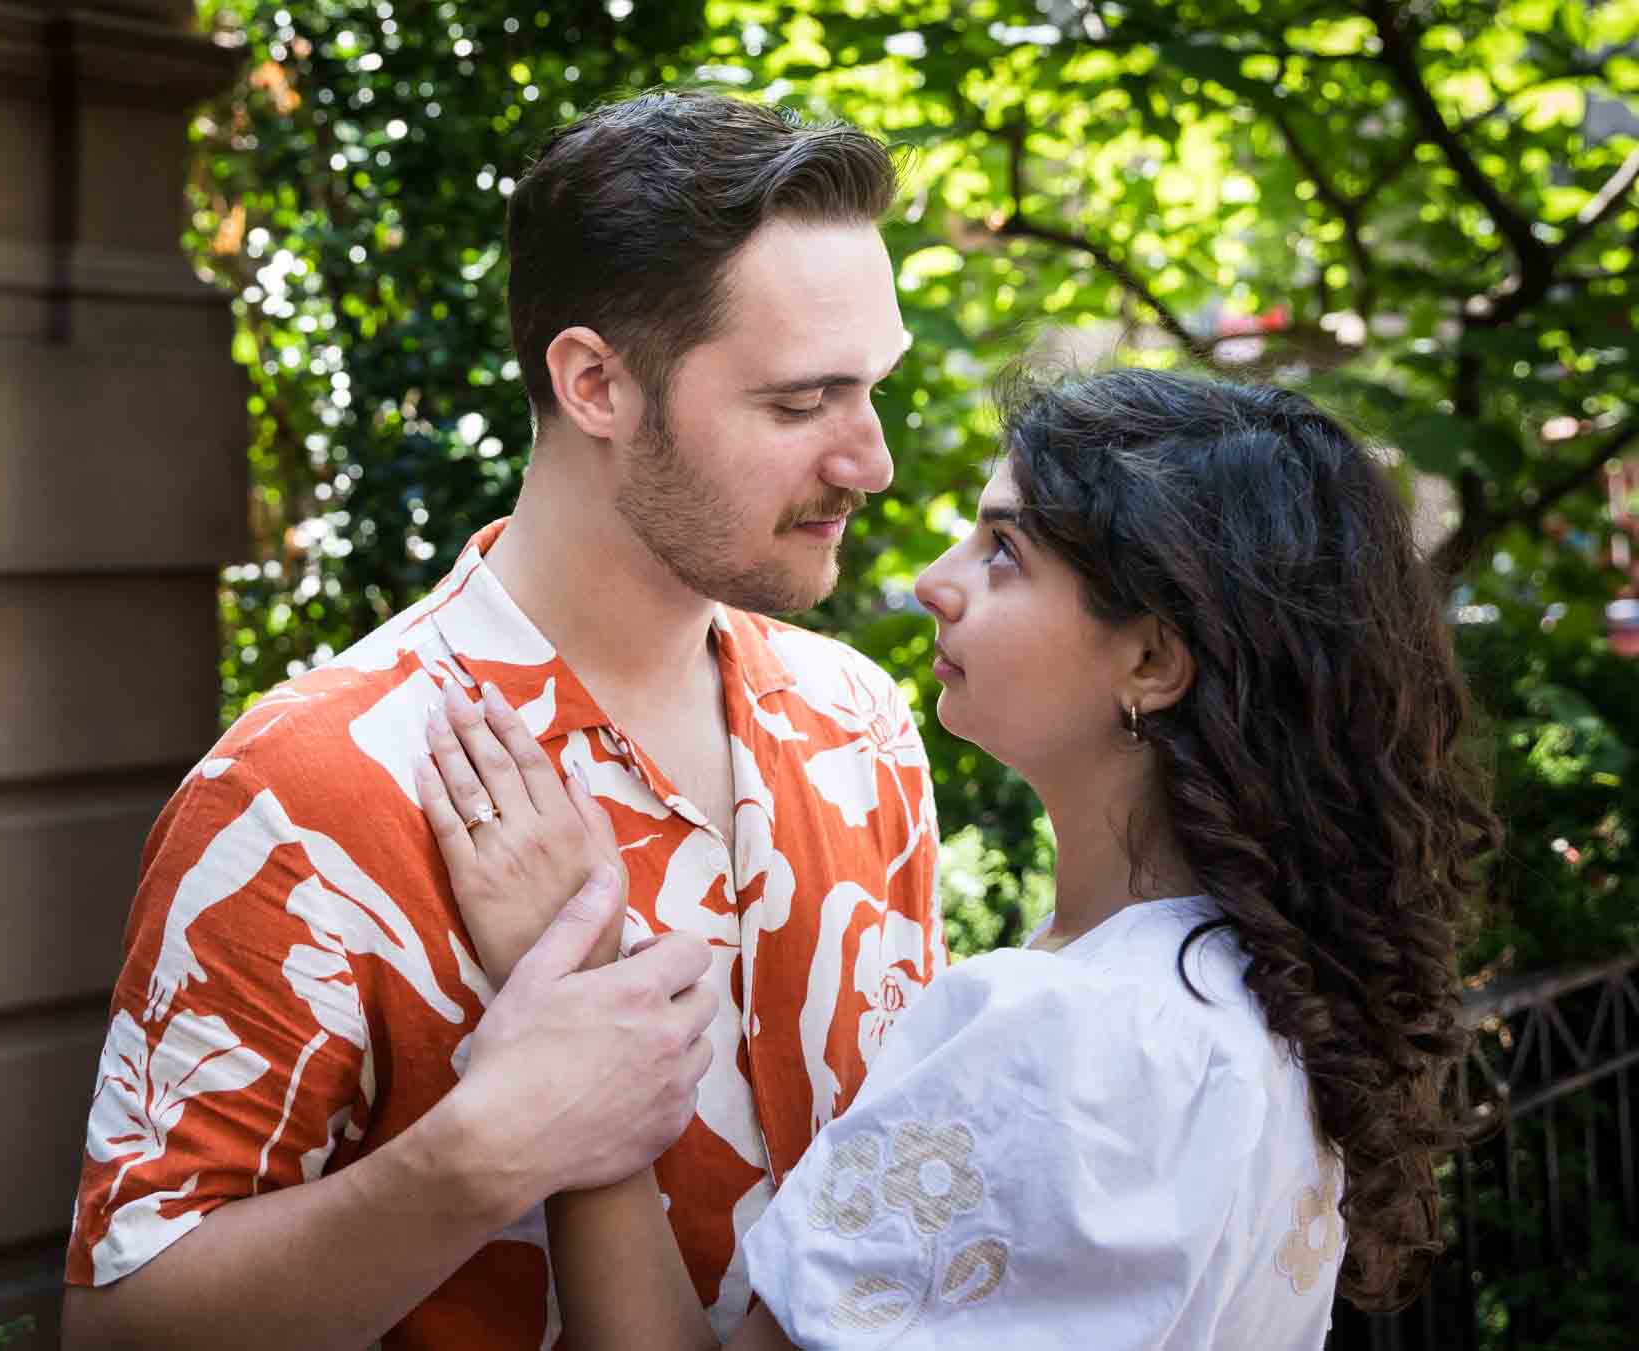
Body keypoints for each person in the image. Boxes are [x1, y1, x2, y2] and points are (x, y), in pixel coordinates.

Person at [61, 90, 942, 1349]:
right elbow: (117, 1328)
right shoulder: (304, 788)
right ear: (593, 384)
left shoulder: (856, 722)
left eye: (871, 390)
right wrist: (478, 1156)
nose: (870, 461)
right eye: (801, 403)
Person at [423, 369, 1500, 1349]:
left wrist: (570, 1012)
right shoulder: (1260, 987)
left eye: (1002, 553)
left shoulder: (1069, 1037)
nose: (938, 580)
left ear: (1151, 658)